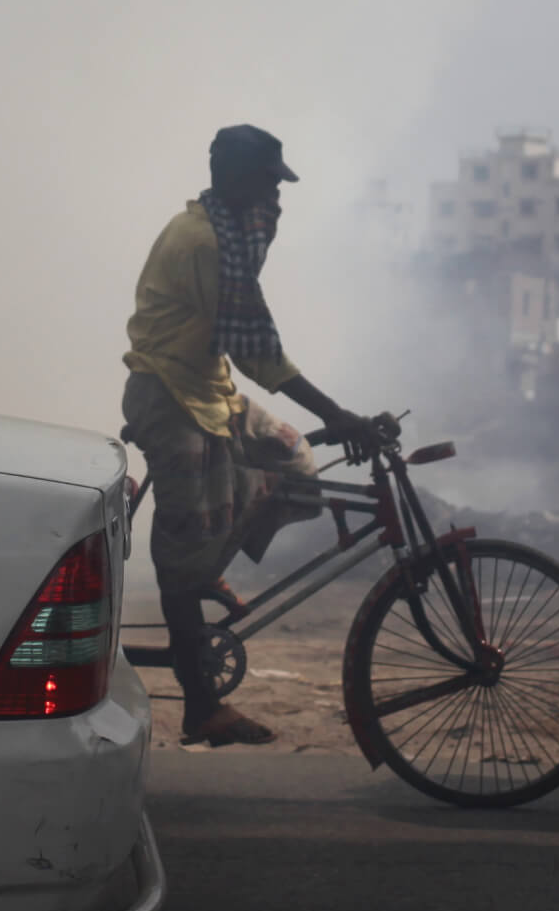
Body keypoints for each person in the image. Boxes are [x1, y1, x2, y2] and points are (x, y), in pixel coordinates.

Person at [121, 125, 396, 747]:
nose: (276, 196)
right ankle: (202, 707)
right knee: (182, 573)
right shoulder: (204, 243)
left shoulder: (224, 230)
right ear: (238, 179)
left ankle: (212, 556)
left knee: (294, 461)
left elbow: (247, 347)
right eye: (270, 182)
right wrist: (340, 414)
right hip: (171, 398)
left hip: (208, 391)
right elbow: (259, 353)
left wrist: (332, 418)